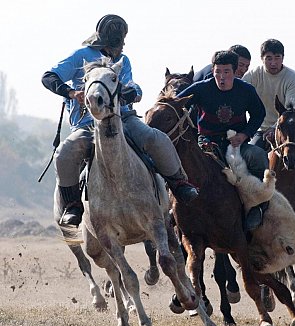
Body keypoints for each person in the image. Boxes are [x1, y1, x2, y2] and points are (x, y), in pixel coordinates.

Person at [41, 14, 199, 226]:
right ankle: (73, 205)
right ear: (108, 41)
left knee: (156, 138)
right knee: (64, 153)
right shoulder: (81, 56)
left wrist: (130, 93)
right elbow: (48, 77)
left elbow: (131, 86)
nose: (121, 46)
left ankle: (179, 184)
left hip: (122, 119)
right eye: (118, 42)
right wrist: (71, 93)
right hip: (88, 124)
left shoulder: (123, 61)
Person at [177, 50, 269, 230]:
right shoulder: (201, 88)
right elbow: (177, 105)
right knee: (182, 163)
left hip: (236, 146)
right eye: (217, 71)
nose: (221, 77)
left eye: (226, 72)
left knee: (258, 155)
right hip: (206, 144)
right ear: (212, 71)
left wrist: (244, 135)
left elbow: (259, 114)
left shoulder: (246, 90)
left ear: (235, 72)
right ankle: (174, 207)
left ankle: (258, 206)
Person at [242, 39, 295, 162]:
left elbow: (291, 110)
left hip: (290, 128)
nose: (273, 63)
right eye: (269, 58)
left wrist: (275, 129)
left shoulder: (293, 78)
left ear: (283, 58)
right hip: (262, 129)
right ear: (262, 58)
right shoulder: (252, 76)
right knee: (250, 157)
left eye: (277, 57)